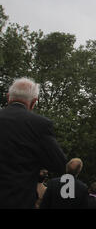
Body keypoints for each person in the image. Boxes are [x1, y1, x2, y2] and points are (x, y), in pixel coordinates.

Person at [0, 78, 67, 209]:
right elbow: (59, 163)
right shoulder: (40, 125)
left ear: (8, 97)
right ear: (34, 102)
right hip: (18, 200)